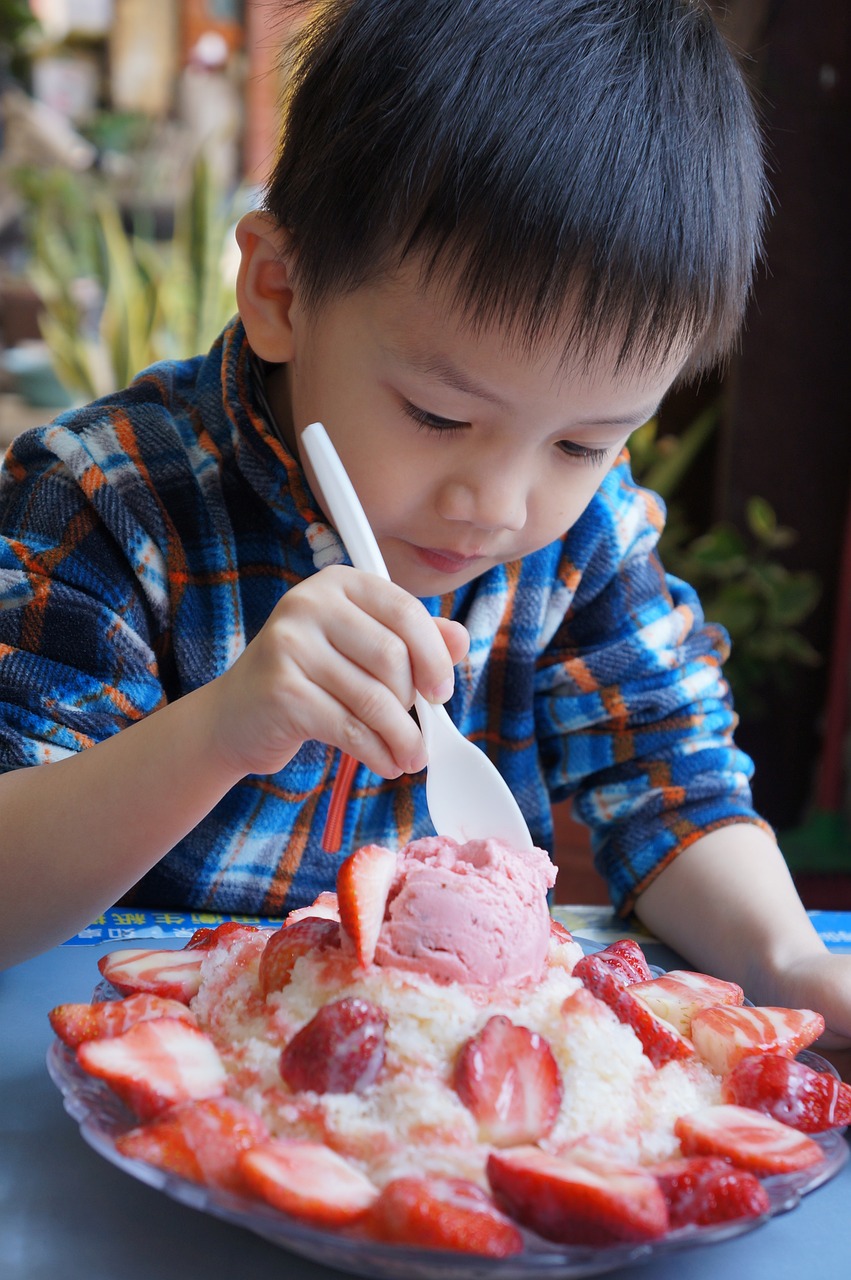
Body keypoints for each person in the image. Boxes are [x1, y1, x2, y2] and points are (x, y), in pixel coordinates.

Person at [0, 0, 848, 1061]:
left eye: (581, 444)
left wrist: (785, 957)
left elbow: (670, 781)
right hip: (148, 1062)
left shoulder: (578, 543)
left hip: (442, 1092)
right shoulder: (109, 500)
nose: (498, 502)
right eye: (439, 416)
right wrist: (219, 731)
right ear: (279, 289)